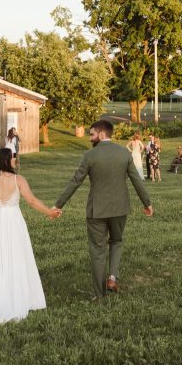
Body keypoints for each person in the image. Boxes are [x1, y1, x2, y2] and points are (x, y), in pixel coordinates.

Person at [53, 120, 153, 299]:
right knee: (116, 241)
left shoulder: (90, 155)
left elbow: (75, 181)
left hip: (96, 210)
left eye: (91, 134)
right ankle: (112, 278)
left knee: (97, 250)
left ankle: (99, 295)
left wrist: (58, 204)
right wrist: (147, 203)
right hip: (120, 208)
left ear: (101, 134)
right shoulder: (124, 153)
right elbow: (137, 179)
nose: (90, 138)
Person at [0, 148, 59, 331]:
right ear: (6, 160)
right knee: (15, 256)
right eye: (13, 157)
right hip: (12, 221)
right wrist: (50, 212)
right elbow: (32, 202)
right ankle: (16, 294)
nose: (15, 160)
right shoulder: (18, 180)